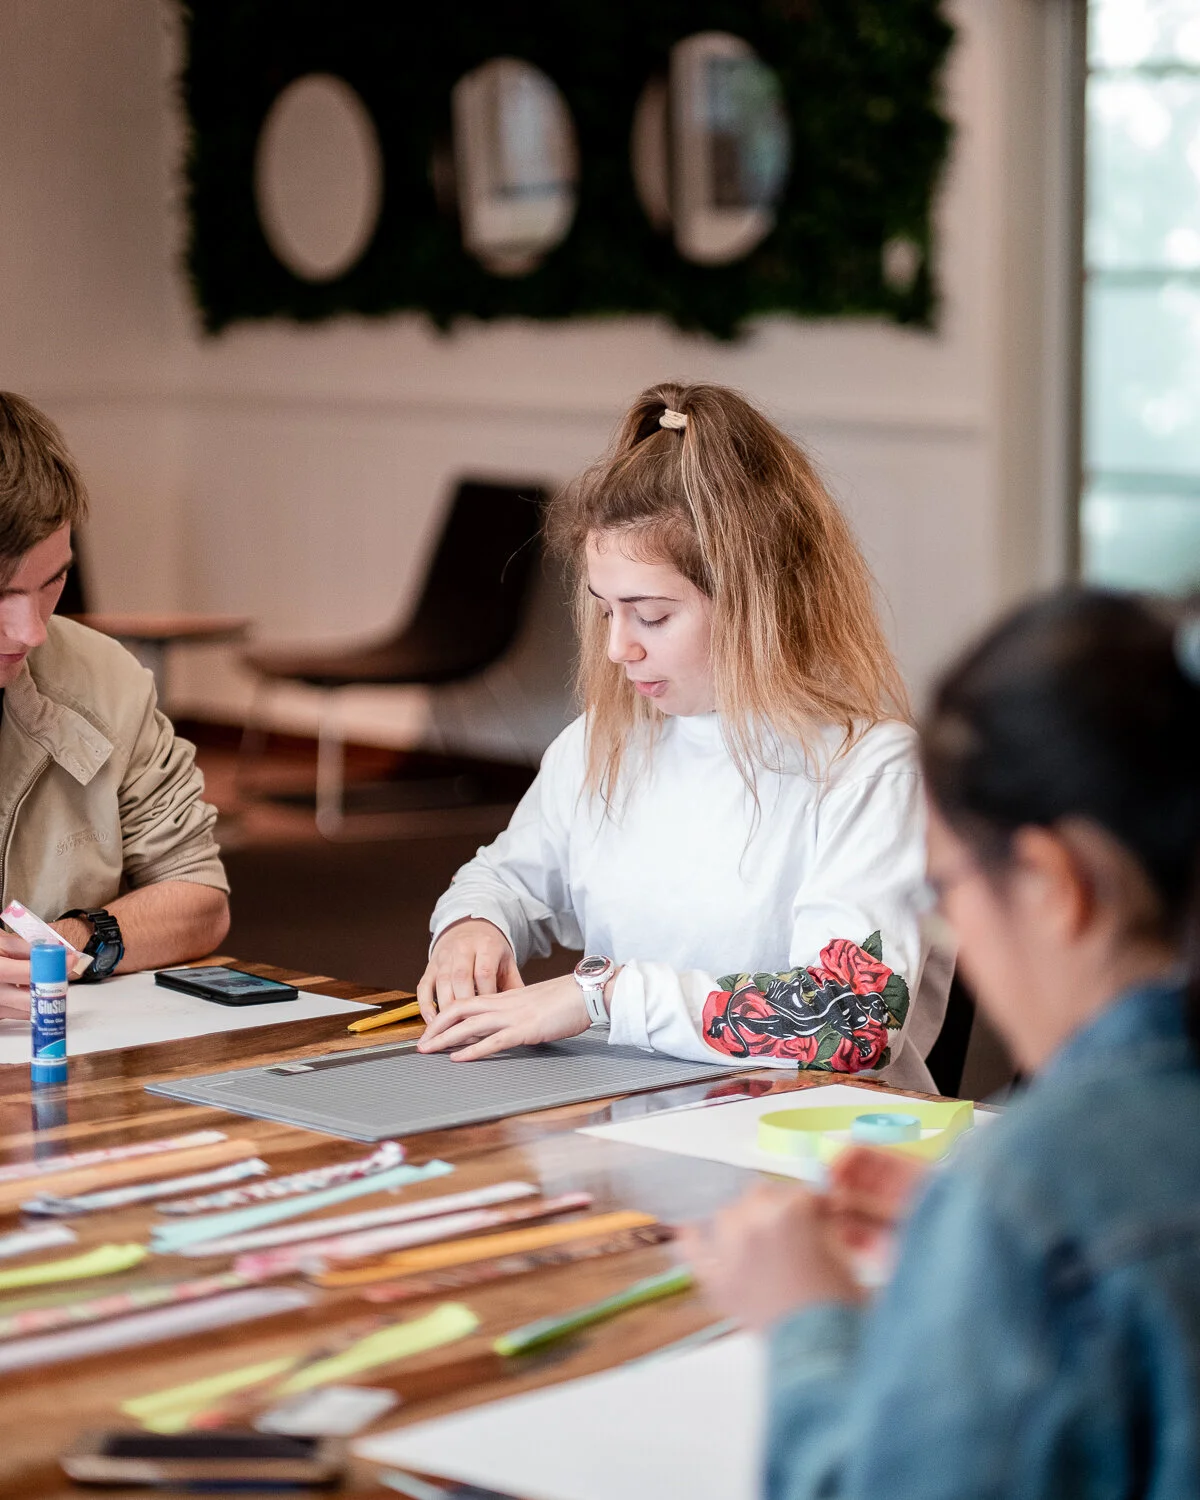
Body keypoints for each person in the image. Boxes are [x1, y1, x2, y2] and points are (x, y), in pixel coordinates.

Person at [684, 588, 1200, 1500]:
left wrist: (808, 1320)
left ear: (1051, 883)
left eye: (945, 889)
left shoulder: (1034, 1189)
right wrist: (973, 1232)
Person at [417, 382, 952, 1090]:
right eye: (606, 612)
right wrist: (471, 927)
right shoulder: (601, 744)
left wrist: (602, 996)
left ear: (755, 601)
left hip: (815, 1137)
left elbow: (851, 1022)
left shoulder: (871, 769)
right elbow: (504, 879)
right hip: (638, 1111)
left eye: (651, 616)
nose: (619, 649)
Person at [0, 393, 230, 1015]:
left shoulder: (105, 680)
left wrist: (68, 941)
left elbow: (198, 898)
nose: (31, 631)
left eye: (53, 582)